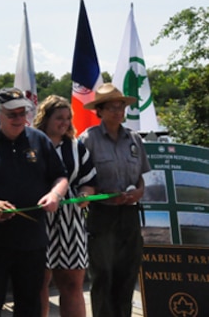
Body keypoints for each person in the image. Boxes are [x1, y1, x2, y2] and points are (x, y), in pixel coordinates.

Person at [0, 87, 68, 317]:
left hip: (31, 240)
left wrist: (55, 194)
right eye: (13, 115)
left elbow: (60, 175)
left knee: (30, 305)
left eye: (23, 113)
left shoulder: (39, 140)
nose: (20, 119)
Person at [79, 83, 150, 317]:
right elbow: (82, 182)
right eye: (112, 108)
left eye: (121, 107)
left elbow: (141, 178)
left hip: (130, 217)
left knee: (127, 275)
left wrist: (138, 192)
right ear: (99, 111)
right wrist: (107, 194)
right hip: (102, 216)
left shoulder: (134, 139)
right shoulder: (87, 140)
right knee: (102, 277)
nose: (118, 112)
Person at [34, 95, 96, 317]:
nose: (65, 123)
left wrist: (84, 196)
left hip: (71, 221)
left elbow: (89, 181)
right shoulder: (31, 144)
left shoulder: (77, 147)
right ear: (46, 118)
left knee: (72, 284)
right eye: (59, 118)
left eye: (68, 118)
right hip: (39, 220)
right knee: (39, 283)